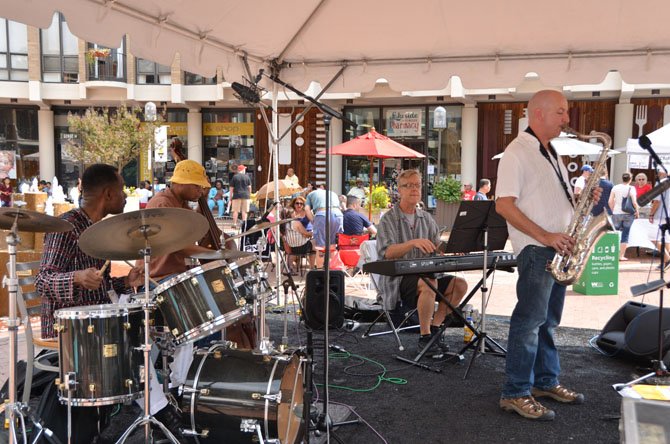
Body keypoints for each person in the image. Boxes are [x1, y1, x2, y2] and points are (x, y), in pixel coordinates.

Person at [34, 164, 185, 439]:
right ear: (107, 194)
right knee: (134, 342)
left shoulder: (94, 230)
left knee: (140, 331)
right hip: (68, 328)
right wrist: (76, 278)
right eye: (121, 191)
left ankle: (159, 404)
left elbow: (98, 286)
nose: (125, 197)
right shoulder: (66, 228)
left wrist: (126, 282)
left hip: (93, 320)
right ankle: (161, 410)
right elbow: (42, 281)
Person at [496, 90, 589, 421]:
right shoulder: (516, 152)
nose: (567, 119)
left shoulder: (551, 153)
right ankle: (516, 391)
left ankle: (545, 382)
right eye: (561, 112)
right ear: (539, 114)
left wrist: (576, 205)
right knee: (530, 322)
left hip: (556, 249)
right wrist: (546, 235)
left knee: (548, 322)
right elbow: (503, 204)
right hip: (537, 250)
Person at [376, 169, 467, 357]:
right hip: (399, 279)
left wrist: (453, 247)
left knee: (460, 284)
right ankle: (424, 337)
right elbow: (387, 252)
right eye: (408, 186)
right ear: (398, 190)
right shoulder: (388, 219)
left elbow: (437, 244)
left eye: (417, 185)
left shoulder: (426, 217)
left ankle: (434, 330)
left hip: (427, 274)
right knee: (429, 283)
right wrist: (412, 243)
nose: (414, 189)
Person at [304, 186, 343, 267]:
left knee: (320, 247)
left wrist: (314, 222)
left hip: (322, 214)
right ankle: (334, 270)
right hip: (338, 215)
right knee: (333, 245)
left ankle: (320, 271)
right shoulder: (332, 192)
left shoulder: (310, 194)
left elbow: (307, 209)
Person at [608, 172, 638, 261]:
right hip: (629, 214)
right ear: (630, 179)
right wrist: (637, 211)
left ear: (622, 178)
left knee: (614, 233)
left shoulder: (615, 187)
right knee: (625, 234)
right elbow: (634, 202)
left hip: (616, 213)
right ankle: (621, 256)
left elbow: (610, 201)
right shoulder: (631, 188)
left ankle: (610, 253)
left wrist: (613, 210)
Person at [280, 207, 316, 271]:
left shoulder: (283, 225)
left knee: (312, 248)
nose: (295, 213)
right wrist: (313, 232)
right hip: (303, 247)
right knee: (315, 244)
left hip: (292, 248)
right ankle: (313, 267)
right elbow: (307, 233)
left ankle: (290, 266)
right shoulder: (296, 223)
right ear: (291, 214)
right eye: (294, 212)